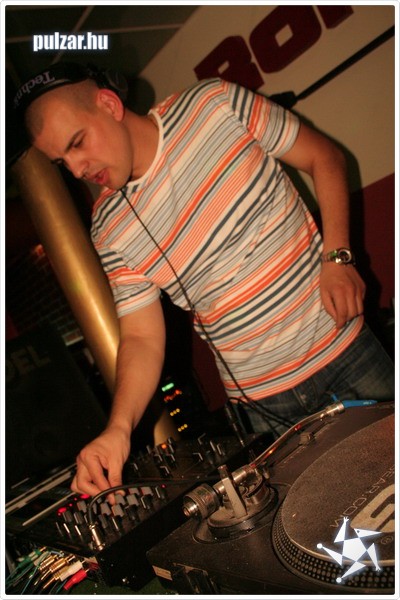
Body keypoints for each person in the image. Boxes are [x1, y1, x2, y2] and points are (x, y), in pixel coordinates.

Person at [15, 63, 394, 500]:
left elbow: (323, 157)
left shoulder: (214, 104)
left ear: (109, 104)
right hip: (263, 407)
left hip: (344, 351)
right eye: (62, 162)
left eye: (77, 143)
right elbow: (141, 337)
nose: (77, 168)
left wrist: (338, 256)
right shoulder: (109, 226)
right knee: (327, 525)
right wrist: (118, 428)